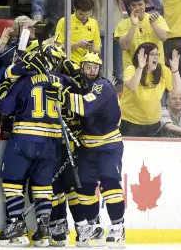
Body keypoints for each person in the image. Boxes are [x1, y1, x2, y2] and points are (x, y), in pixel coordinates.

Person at [46, 52, 125, 247]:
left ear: (100, 69)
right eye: (88, 66)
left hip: (108, 146)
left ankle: (118, 228)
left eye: (95, 67)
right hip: (87, 148)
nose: (91, 71)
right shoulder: (80, 85)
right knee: (83, 188)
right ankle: (94, 227)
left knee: (110, 184)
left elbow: (86, 105)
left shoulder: (103, 86)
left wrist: (62, 95)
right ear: (82, 67)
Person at [0, 44, 70, 247]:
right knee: (43, 187)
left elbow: (5, 108)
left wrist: (5, 85)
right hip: (51, 143)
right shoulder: (63, 80)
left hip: (25, 139)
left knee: (12, 183)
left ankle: (16, 227)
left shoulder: (26, 80)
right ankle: (44, 231)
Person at [119, 42, 181, 137]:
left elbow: (178, 91)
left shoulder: (162, 70)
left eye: (157, 54)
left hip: (154, 124)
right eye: (152, 54)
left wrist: (175, 70)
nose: (156, 57)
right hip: (130, 123)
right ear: (142, 56)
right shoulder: (131, 69)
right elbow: (132, 86)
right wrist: (140, 67)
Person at [55, 0, 101, 64]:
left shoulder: (94, 23)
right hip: (69, 63)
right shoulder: (64, 21)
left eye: (88, 14)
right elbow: (57, 47)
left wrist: (91, 47)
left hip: (88, 65)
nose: (84, 17)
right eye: (81, 14)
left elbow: (98, 50)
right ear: (75, 9)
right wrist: (77, 45)